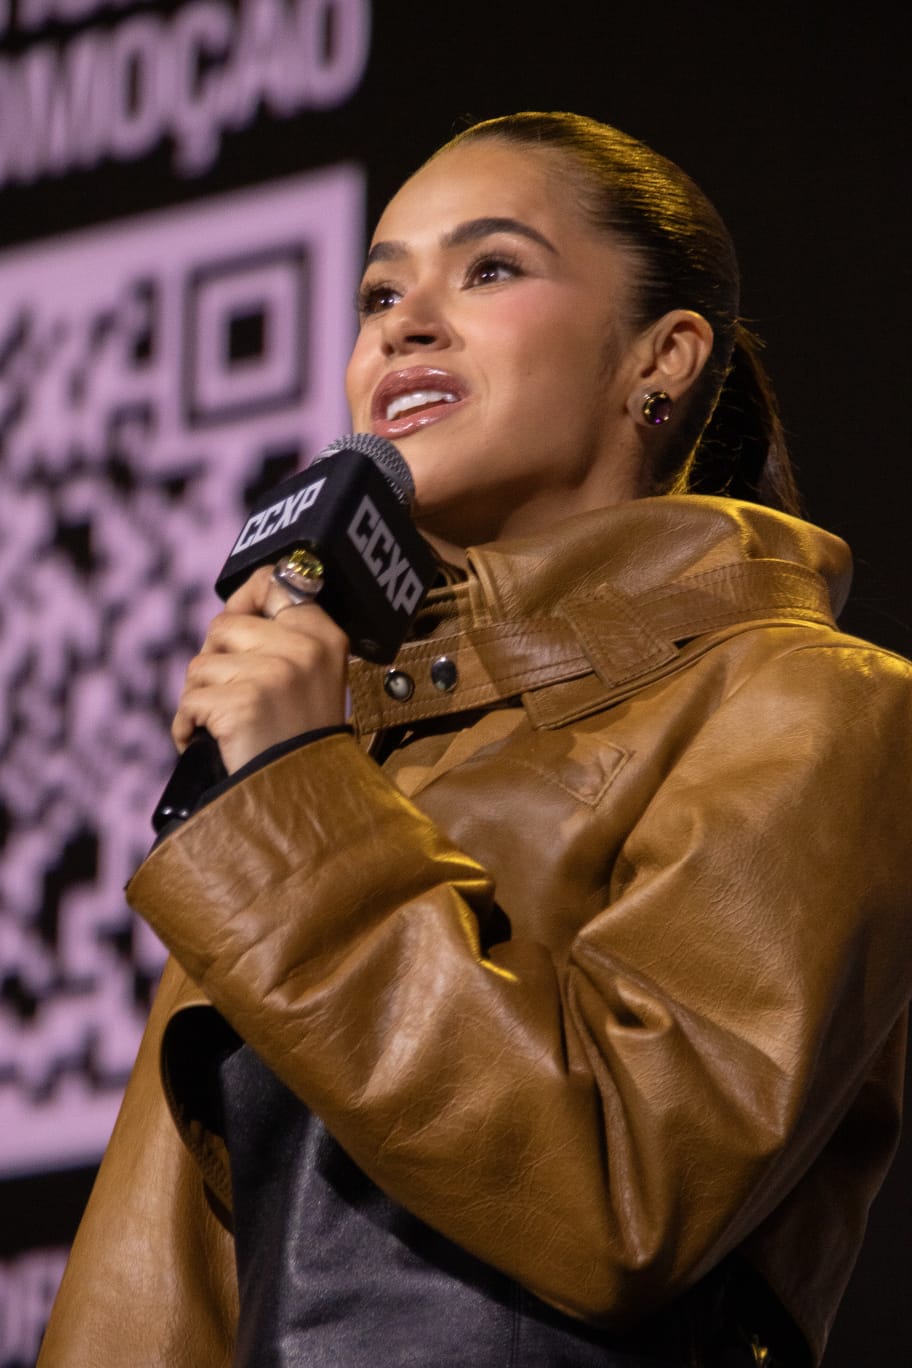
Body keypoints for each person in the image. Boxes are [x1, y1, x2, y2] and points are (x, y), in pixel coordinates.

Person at [38, 112, 911, 1368]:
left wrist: (294, 797)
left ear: (662, 357)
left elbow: (628, 1191)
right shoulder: (331, 757)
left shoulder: (810, 701)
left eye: (490, 268)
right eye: (378, 292)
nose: (406, 323)